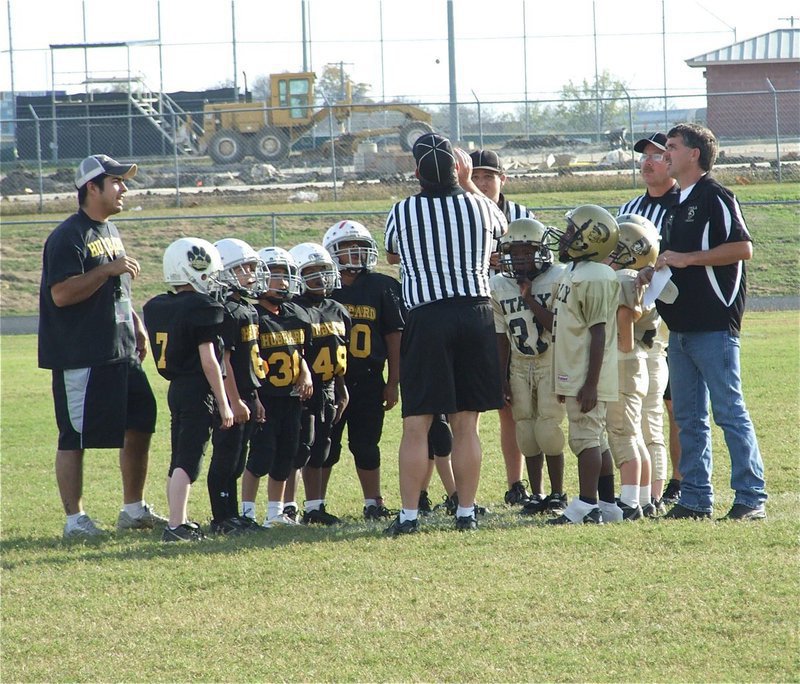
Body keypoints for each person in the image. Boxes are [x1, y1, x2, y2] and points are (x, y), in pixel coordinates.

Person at [639, 123, 767, 521]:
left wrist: (687, 258)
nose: (665, 155)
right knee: (688, 418)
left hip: (714, 325)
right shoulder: (676, 202)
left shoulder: (717, 196)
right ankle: (695, 497)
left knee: (728, 412)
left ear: (694, 154)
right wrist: (655, 268)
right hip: (679, 328)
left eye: (672, 148)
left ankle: (751, 496)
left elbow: (743, 248)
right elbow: (675, 257)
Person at [383, 133, 507, 535]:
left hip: (427, 315)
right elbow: (501, 228)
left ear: (417, 171)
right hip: (475, 313)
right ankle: (466, 511)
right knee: (466, 422)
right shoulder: (481, 207)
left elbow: (392, 253)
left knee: (417, 423)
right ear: (459, 168)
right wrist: (470, 185)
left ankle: (409, 516)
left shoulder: (402, 211)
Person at [38, 154, 166, 538]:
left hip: (120, 349)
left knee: (141, 422)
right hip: (82, 354)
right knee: (74, 436)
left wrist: (137, 325)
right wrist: (106, 269)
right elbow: (60, 294)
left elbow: (116, 290)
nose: (123, 188)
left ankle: (133, 508)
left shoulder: (109, 230)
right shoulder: (68, 236)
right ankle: (75, 520)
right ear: (91, 188)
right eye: (116, 182)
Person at [142, 238, 234, 542]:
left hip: (176, 388)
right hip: (197, 388)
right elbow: (209, 360)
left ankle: (175, 519)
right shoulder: (201, 306)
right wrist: (224, 402)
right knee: (189, 460)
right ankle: (176, 526)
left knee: (179, 456)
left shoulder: (160, 305)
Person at [323, 220, 404, 520]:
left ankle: (374, 502)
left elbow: (394, 336)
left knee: (367, 444)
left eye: (359, 247)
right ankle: (315, 504)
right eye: (346, 248)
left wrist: (393, 381)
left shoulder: (382, 286)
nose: (354, 254)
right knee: (324, 444)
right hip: (328, 379)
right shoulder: (323, 287)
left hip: (369, 378)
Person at [545, 205, 620, 525]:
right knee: (595, 440)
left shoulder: (595, 276)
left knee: (584, 439)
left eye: (572, 231)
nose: (564, 236)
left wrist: (589, 383)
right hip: (574, 370)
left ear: (592, 238)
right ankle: (608, 504)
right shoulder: (575, 272)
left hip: (586, 374)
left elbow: (598, 331)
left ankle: (586, 505)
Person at [489, 218, 568, 515]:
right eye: (514, 252)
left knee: (548, 428)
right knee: (525, 430)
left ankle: (559, 492)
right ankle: (536, 494)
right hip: (520, 364)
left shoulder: (559, 278)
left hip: (551, 359)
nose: (520, 258)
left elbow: (557, 326)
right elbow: (501, 337)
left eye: (526, 251)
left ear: (541, 251)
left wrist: (530, 298)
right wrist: (501, 378)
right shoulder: (498, 285)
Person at [619, 132, 681, 507]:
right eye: (644, 156)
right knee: (638, 409)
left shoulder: (684, 205)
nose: (649, 162)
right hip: (636, 321)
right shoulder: (629, 209)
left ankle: (677, 479)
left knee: (672, 406)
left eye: (658, 155)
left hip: (671, 319)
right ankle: (645, 487)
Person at [470, 149, 535, 505]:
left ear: (502, 179)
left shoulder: (522, 217)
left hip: (515, 317)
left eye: (488, 177)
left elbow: (543, 263)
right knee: (471, 408)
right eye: (475, 177)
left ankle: (517, 483)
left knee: (514, 405)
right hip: (477, 314)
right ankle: (464, 492)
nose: (481, 184)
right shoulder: (462, 213)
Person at [241, 247, 313, 526]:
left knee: (286, 454)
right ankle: (247, 511)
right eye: (275, 276)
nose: (282, 282)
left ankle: (275, 511)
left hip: (291, 396)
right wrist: (254, 397)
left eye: (285, 275)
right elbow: (247, 360)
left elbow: (298, 352)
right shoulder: (253, 315)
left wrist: (305, 373)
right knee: (260, 455)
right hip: (265, 396)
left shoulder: (295, 313)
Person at [205, 238, 267, 535]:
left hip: (247, 390)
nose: (253, 274)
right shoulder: (226, 310)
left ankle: (232, 515)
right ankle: (221, 517)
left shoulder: (246, 307)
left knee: (238, 459)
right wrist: (234, 400)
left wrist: (254, 396)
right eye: (246, 268)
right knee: (226, 457)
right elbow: (224, 360)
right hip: (233, 394)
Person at [604, 215, 664, 520]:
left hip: (625, 362)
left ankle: (629, 501)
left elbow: (625, 333)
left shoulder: (624, 278)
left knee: (622, 432)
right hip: (637, 362)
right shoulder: (633, 277)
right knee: (635, 434)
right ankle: (641, 498)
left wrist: (612, 352)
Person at [288, 242, 351, 525]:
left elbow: (340, 352)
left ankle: (314, 507)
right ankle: (287, 505)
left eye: (323, 271)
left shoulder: (338, 309)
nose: (320, 278)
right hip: (300, 388)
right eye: (311, 272)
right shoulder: (293, 309)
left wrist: (341, 387)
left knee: (322, 447)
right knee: (298, 448)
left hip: (327, 386)